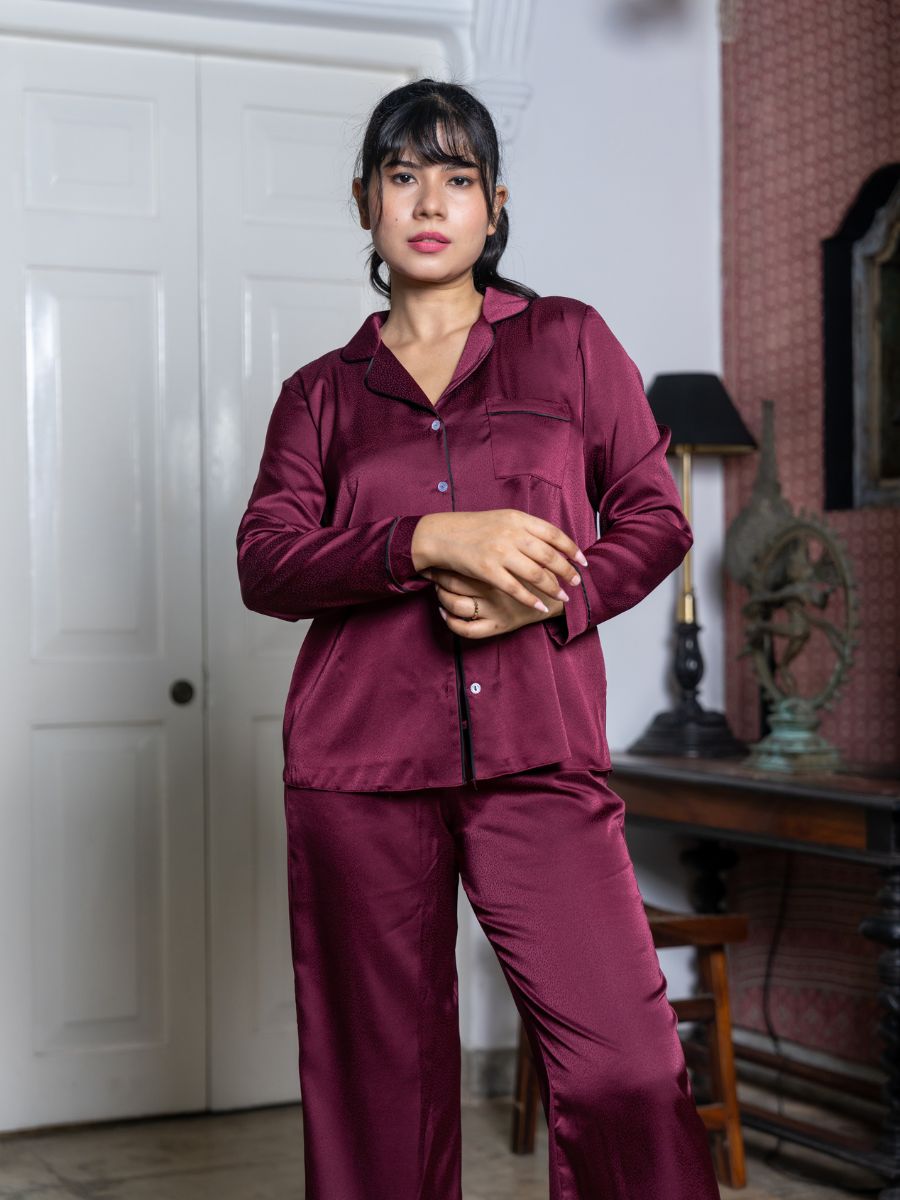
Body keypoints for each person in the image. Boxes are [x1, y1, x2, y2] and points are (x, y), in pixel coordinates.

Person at [236, 77, 721, 1200]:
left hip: (538, 761)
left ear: (496, 206)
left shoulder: (569, 342)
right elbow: (267, 562)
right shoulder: (319, 396)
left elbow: (654, 519)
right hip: (357, 774)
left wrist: (551, 600)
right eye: (403, 175)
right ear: (364, 201)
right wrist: (422, 539)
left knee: (628, 1067)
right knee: (379, 1097)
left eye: (456, 177)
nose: (428, 202)